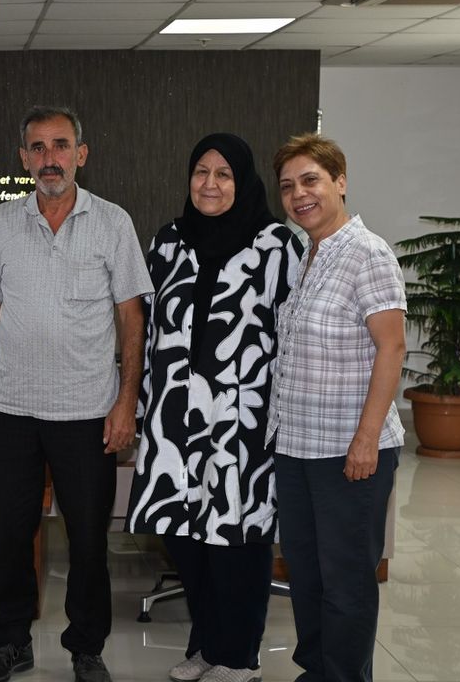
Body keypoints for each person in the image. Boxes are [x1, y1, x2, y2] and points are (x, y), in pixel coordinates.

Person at [0, 106, 151, 682]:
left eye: (61, 145)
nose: (51, 158)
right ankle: (10, 643)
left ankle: (86, 647)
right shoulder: (1, 221)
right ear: (23, 158)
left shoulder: (113, 223)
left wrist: (126, 402)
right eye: (39, 147)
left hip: (87, 411)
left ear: (81, 154)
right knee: (10, 534)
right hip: (10, 409)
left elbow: (132, 319)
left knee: (88, 539)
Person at [127, 133, 304, 682]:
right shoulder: (168, 242)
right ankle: (206, 646)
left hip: (242, 421)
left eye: (223, 174)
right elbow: (148, 329)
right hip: (173, 418)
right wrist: (142, 406)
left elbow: (294, 338)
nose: (209, 184)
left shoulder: (278, 245)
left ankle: (239, 656)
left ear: (243, 181)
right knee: (183, 537)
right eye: (200, 172)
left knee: (237, 542)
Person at [268, 134, 406, 682]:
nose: (299, 195)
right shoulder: (308, 254)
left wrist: (366, 439)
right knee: (307, 577)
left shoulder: (367, 253)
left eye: (311, 180)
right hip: (297, 446)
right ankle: (318, 671)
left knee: (346, 583)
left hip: (350, 452)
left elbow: (392, 348)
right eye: (288, 186)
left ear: (340, 182)